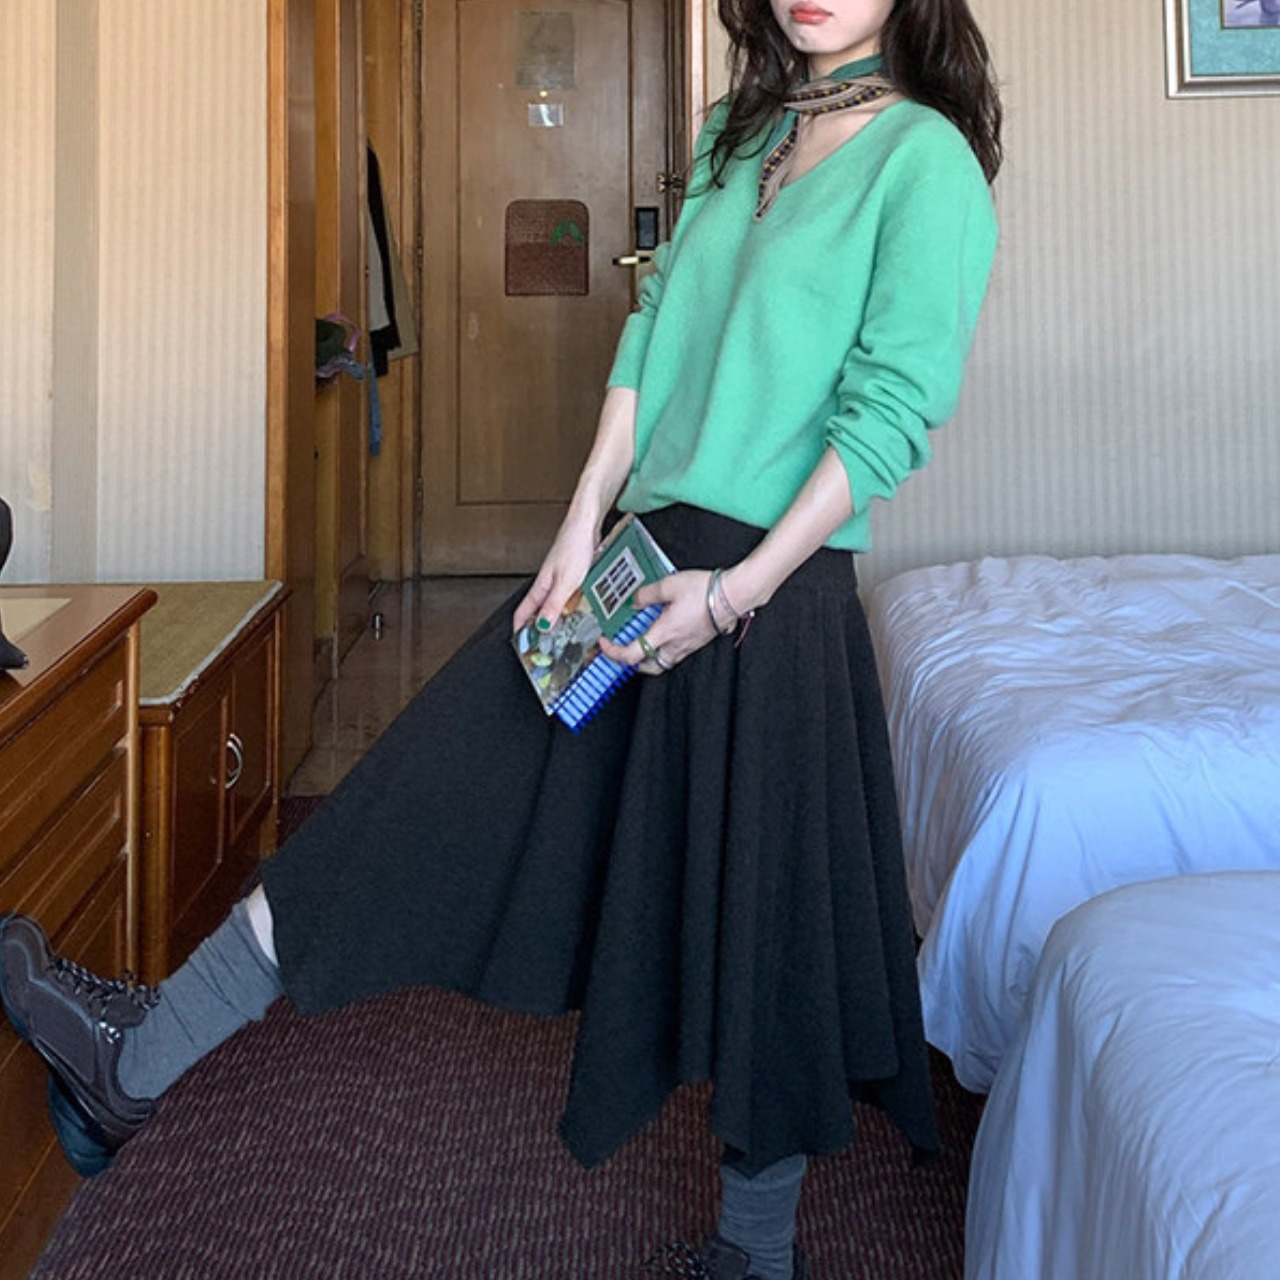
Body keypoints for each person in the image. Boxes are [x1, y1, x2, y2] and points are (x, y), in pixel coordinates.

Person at [0, 0, 1000, 1275]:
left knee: (764, 929)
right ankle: (136, 1062)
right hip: (638, 557)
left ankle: (754, 1253)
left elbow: (888, 415)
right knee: (419, 788)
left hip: (767, 595)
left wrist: (733, 593)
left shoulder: (924, 160)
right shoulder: (733, 135)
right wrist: (580, 519)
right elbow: (650, 335)